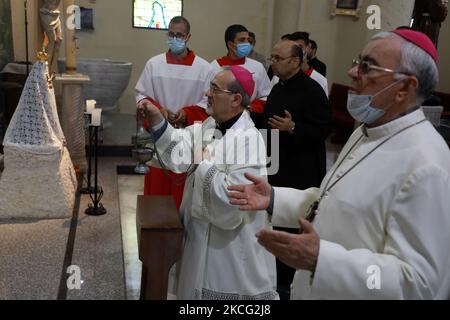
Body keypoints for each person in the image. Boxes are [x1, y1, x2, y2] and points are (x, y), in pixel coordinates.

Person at [228, 29, 450, 299]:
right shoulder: (367, 131)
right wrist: (275, 198)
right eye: (358, 62)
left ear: (404, 87)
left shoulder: (427, 164)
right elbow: (336, 201)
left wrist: (322, 260)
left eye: (367, 66)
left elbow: (418, 284)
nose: (352, 72)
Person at [137, 66, 278, 300]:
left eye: (214, 89)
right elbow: (181, 147)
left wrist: (204, 166)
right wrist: (157, 121)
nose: (207, 94)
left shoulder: (250, 141)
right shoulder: (210, 125)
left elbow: (234, 200)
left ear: (235, 99)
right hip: (198, 239)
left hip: (228, 252)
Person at [263, 39, 331, 299]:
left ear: (294, 62)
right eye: (272, 57)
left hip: (300, 173)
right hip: (277, 166)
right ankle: (273, 277)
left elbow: (323, 129)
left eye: (277, 58)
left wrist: (293, 128)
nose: (272, 62)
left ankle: (286, 284)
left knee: (291, 226)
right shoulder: (278, 87)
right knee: (275, 224)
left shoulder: (312, 90)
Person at [135, 16, 214, 209]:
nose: (175, 38)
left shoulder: (204, 68)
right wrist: (157, 112)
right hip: (159, 133)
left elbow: (209, 104)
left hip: (190, 137)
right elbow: (142, 96)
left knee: (185, 189)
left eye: (179, 35)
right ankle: (157, 230)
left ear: (188, 37)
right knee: (158, 191)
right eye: (171, 34)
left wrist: (187, 113)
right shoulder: (154, 64)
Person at [211, 24, 272, 128]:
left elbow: (266, 95)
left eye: (248, 40)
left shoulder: (257, 66)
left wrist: (250, 108)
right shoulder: (214, 66)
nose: (247, 43)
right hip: (222, 119)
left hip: (250, 118)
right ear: (230, 44)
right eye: (242, 40)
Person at [270, 32, 329, 97]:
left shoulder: (320, 80)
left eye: (300, 47)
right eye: (293, 48)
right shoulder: (279, 76)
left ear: (308, 47)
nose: (297, 51)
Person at [39, 0, 62, 79]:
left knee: (59, 40)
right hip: (46, 13)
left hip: (56, 13)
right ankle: (46, 71)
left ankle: (51, 70)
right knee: (52, 41)